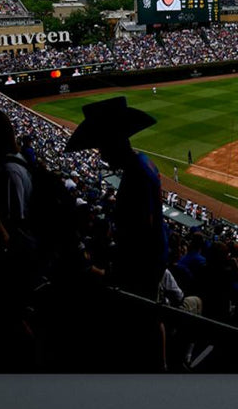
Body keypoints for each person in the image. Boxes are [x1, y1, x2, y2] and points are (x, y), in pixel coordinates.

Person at [64, 96, 166, 299]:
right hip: (149, 264)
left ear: (114, 143)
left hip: (141, 271)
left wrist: (114, 274)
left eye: (102, 147)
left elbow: (141, 232)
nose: (101, 155)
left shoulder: (137, 173)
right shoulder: (142, 163)